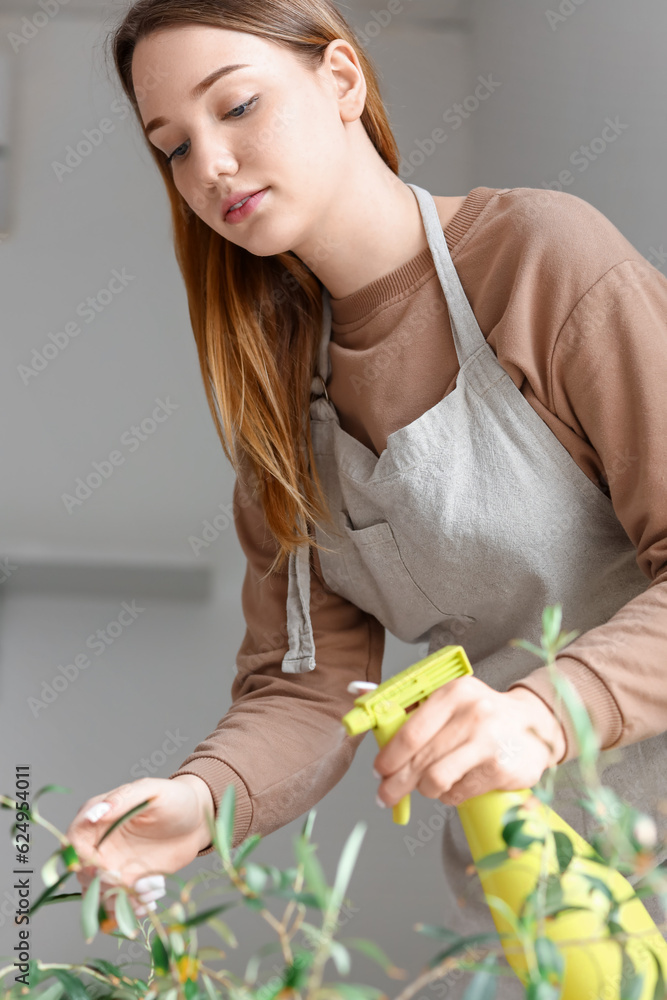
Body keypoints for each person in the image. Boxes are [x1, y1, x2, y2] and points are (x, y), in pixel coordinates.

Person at [66, 0, 667, 977]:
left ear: (341, 80)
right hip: (542, 904)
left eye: (238, 106)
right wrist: (201, 801)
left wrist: (540, 712)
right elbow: (306, 690)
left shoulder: (537, 260)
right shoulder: (279, 409)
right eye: (171, 146)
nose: (209, 165)